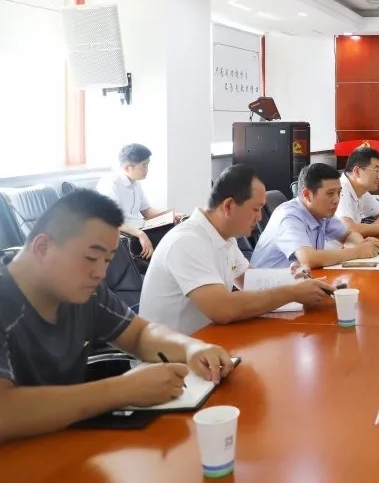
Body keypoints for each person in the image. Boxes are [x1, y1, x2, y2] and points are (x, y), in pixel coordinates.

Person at [0, 190, 233, 443]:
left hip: (64, 442)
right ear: (42, 247)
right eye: (91, 257)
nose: (101, 273)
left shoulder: (85, 292)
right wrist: (123, 390)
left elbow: (139, 333)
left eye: (107, 260)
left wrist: (191, 348)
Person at [140, 165, 333, 335]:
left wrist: (292, 279)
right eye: (256, 209)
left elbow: (250, 280)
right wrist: (292, 292)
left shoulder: (224, 235)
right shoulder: (187, 241)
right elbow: (222, 309)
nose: (259, 218)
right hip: (173, 358)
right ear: (229, 206)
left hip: (207, 344)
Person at [252, 163, 379, 270]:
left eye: (339, 192)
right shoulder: (289, 216)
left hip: (299, 283)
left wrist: (363, 245)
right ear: (307, 195)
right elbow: (308, 259)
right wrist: (357, 252)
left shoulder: (322, 212)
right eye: (330, 193)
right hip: (269, 289)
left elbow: (347, 235)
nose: (337, 200)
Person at [96, 143, 182, 260]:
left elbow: (147, 211)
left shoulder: (135, 183)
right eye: (144, 165)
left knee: (177, 228)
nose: (147, 169)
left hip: (140, 228)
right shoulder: (110, 184)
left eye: (147, 165)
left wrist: (170, 216)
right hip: (126, 235)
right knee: (172, 238)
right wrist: (140, 234)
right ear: (127, 168)